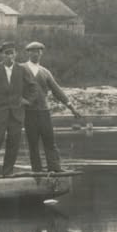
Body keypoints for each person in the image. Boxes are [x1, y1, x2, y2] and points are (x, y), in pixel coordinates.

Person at [0, 41, 39, 179]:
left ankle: (7, 172)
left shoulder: (22, 70)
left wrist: (27, 101)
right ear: (2, 55)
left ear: (15, 54)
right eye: (6, 53)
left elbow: (33, 87)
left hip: (17, 113)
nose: (10, 56)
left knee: (13, 143)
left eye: (12, 53)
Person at [23, 41, 82, 173]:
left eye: (38, 51)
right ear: (28, 53)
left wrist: (72, 108)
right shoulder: (21, 69)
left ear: (41, 53)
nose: (36, 54)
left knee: (49, 141)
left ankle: (55, 167)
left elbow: (57, 91)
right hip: (28, 112)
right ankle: (37, 171)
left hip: (44, 111)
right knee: (33, 143)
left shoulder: (45, 72)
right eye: (33, 51)